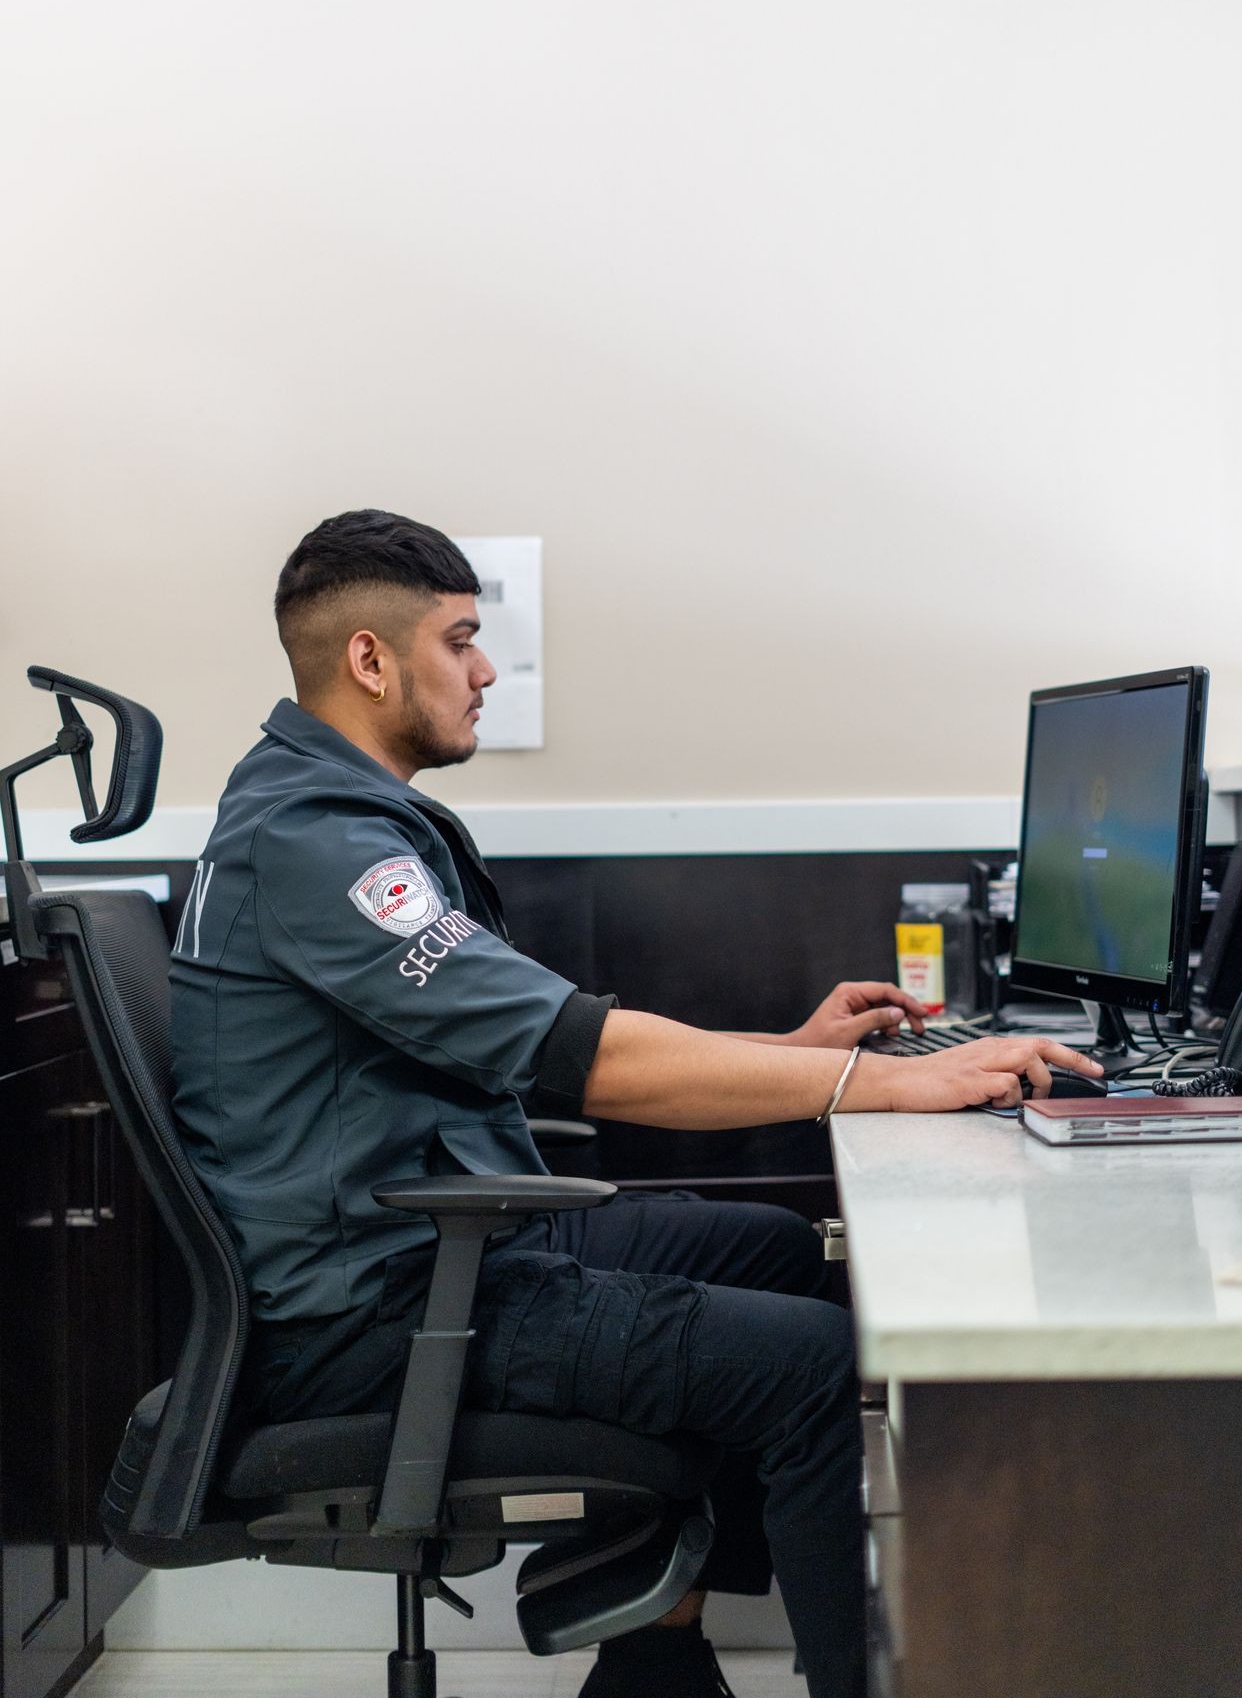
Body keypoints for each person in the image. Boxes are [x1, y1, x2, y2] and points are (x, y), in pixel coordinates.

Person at [169, 509, 1103, 1698]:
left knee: (777, 1255)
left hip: (442, 1245)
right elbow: (589, 1057)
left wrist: (791, 1050)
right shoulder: (322, 843)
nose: (485, 669)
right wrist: (884, 1081)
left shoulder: (318, 815)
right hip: (378, 1311)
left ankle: (653, 1662)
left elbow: (537, 1038)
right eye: (459, 640)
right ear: (369, 659)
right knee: (810, 1362)